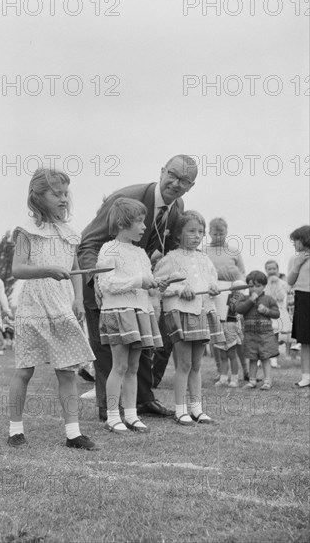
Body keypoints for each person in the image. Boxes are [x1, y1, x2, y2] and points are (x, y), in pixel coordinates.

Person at [78, 154, 198, 421]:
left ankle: (143, 400)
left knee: (142, 342)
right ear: (162, 170)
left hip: (137, 288)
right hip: (104, 284)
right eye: (173, 175)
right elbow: (87, 243)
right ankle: (108, 407)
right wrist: (96, 280)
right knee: (108, 347)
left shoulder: (177, 207)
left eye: (185, 181)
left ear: (191, 186)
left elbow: (162, 250)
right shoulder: (126, 199)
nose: (176, 184)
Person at [8, 168, 98, 450]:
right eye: (55, 193)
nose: (62, 198)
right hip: (34, 306)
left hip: (61, 305)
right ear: (38, 197)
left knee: (67, 370)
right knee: (24, 370)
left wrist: (79, 299)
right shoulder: (27, 232)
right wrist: (47, 270)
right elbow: (18, 269)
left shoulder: (70, 234)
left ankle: (73, 433)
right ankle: (15, 429)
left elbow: (75, 271)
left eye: (64, 193)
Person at [95, 198, 164, 434]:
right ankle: (113, 416)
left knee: (134, 366)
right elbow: (106, 284)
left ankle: (132, 414)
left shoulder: (141, 253)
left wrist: (155, 285)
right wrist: (139, 281)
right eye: (139, 221)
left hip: (139, 312)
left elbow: (147, 285)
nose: (144, 226)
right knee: (120, 365)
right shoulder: (109, 249)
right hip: (118, 312)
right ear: (124, 223)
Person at [154, 211, 224, 425]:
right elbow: (158, 286)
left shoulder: (205, 260)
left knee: (196, 364)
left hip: (201, 312)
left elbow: (212, 281)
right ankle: (180, 409)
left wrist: (213, 288)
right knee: (183, 364)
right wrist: (178, 289)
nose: (197, 236)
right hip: (182, 314)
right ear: (178, 233)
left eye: (201, 232)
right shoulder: (170, 259)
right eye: (191, 231)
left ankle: (197, 408)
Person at [204, 217, 248, 380]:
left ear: (226, 232)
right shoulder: (204, 251)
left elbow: (242, 274)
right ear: (209, 233)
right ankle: (220, 370)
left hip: (232, 294)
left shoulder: (234, 251)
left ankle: (245, 369)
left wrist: (239, 293)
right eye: (215, 234)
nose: (218, 237)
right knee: (216, 333)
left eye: (221, 233)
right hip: (212, 293)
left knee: (234, 333)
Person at [236, 271, 280, 391]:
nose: (254, 289)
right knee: (252, 358)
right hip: (250, 335)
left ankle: (267, 381)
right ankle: (252, 381)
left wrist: (266, 311)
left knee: (265, 358)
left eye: (258, 286)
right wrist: (251, 300)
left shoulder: (269, 299)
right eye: (251, 286)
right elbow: (239, 309)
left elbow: (277, 314)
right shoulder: (244, 298)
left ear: (264, 286)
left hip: (265, 335)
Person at [287, 226, 310, 387]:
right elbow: (290, 281)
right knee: (304, 339)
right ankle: (306, 376)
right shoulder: (295, 259)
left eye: (295, 240)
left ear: (304, 239)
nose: (294, 244)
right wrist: (299, 263)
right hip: (302, 298)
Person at [213, 283, 246, 388]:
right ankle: (223, 378)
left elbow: (239, 315)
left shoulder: (239, 298)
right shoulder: (223, 296)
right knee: (222, 355)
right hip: (220, 324)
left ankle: (234, 378)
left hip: (231, 325)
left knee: (232, 354)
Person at [265, 259, 292, 365]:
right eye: (269, 269)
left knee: (275, 335)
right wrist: (270, 284)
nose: (272, 271)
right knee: (265, 335)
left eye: (274, 269)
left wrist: (275, 284)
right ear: (266, 270)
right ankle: (262, 358)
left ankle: (273, 359)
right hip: (266, 310)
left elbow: (281, 297)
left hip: (278, 310)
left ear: (277, 269)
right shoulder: (263, 282)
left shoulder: (282, 283)